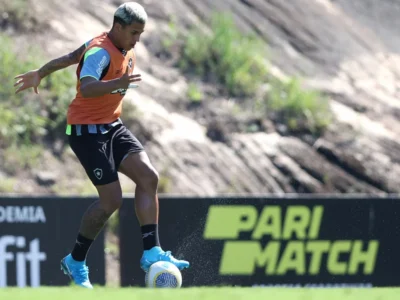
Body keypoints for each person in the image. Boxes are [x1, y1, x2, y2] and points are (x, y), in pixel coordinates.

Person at [14, 2, 189, 289]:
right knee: (112, 200)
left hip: (112, 125)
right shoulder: (100, 51)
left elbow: (72, 56)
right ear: (117, 27)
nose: (137, 39)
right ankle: (76, 260)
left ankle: (151, 251)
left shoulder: (118, 45)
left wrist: (41, 73)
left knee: (148, 177)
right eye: (134, 32)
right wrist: (117, 83)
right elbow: (88, 86)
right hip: (86, 132)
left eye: (141, 33)